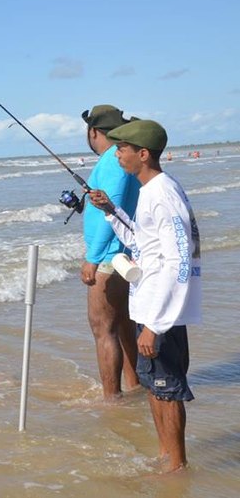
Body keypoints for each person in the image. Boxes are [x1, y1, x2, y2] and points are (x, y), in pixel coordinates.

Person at [88, 119, 202, 473]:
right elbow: (142, 241)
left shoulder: (163, 194)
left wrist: (154, 324)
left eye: (122, 148)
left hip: (159, 313)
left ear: (143, 154)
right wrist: (111, 210)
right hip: (152, 309)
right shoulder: (151, 190)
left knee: (167, 392)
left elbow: (179, 261)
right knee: (156, 388)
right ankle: (167, 456)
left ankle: (177, 466)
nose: (117, 153)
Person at [80, 105, 141, 400]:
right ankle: (134, 386)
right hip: (123, 253)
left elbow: (111, 210)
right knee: (125, 325)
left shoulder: (112, 160)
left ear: (93, 131)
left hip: (108, 257)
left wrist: (92, 258)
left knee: (104, 330)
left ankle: (111, 400)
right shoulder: (120, 157)